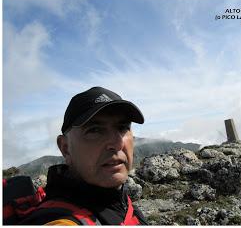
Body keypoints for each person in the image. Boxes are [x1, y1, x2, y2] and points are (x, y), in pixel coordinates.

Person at [24, 86, 148, 225]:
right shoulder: (61, 221)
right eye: (95, 130)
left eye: (122, 127)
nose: (117, 143)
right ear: (65, 148)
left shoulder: (117, 200)